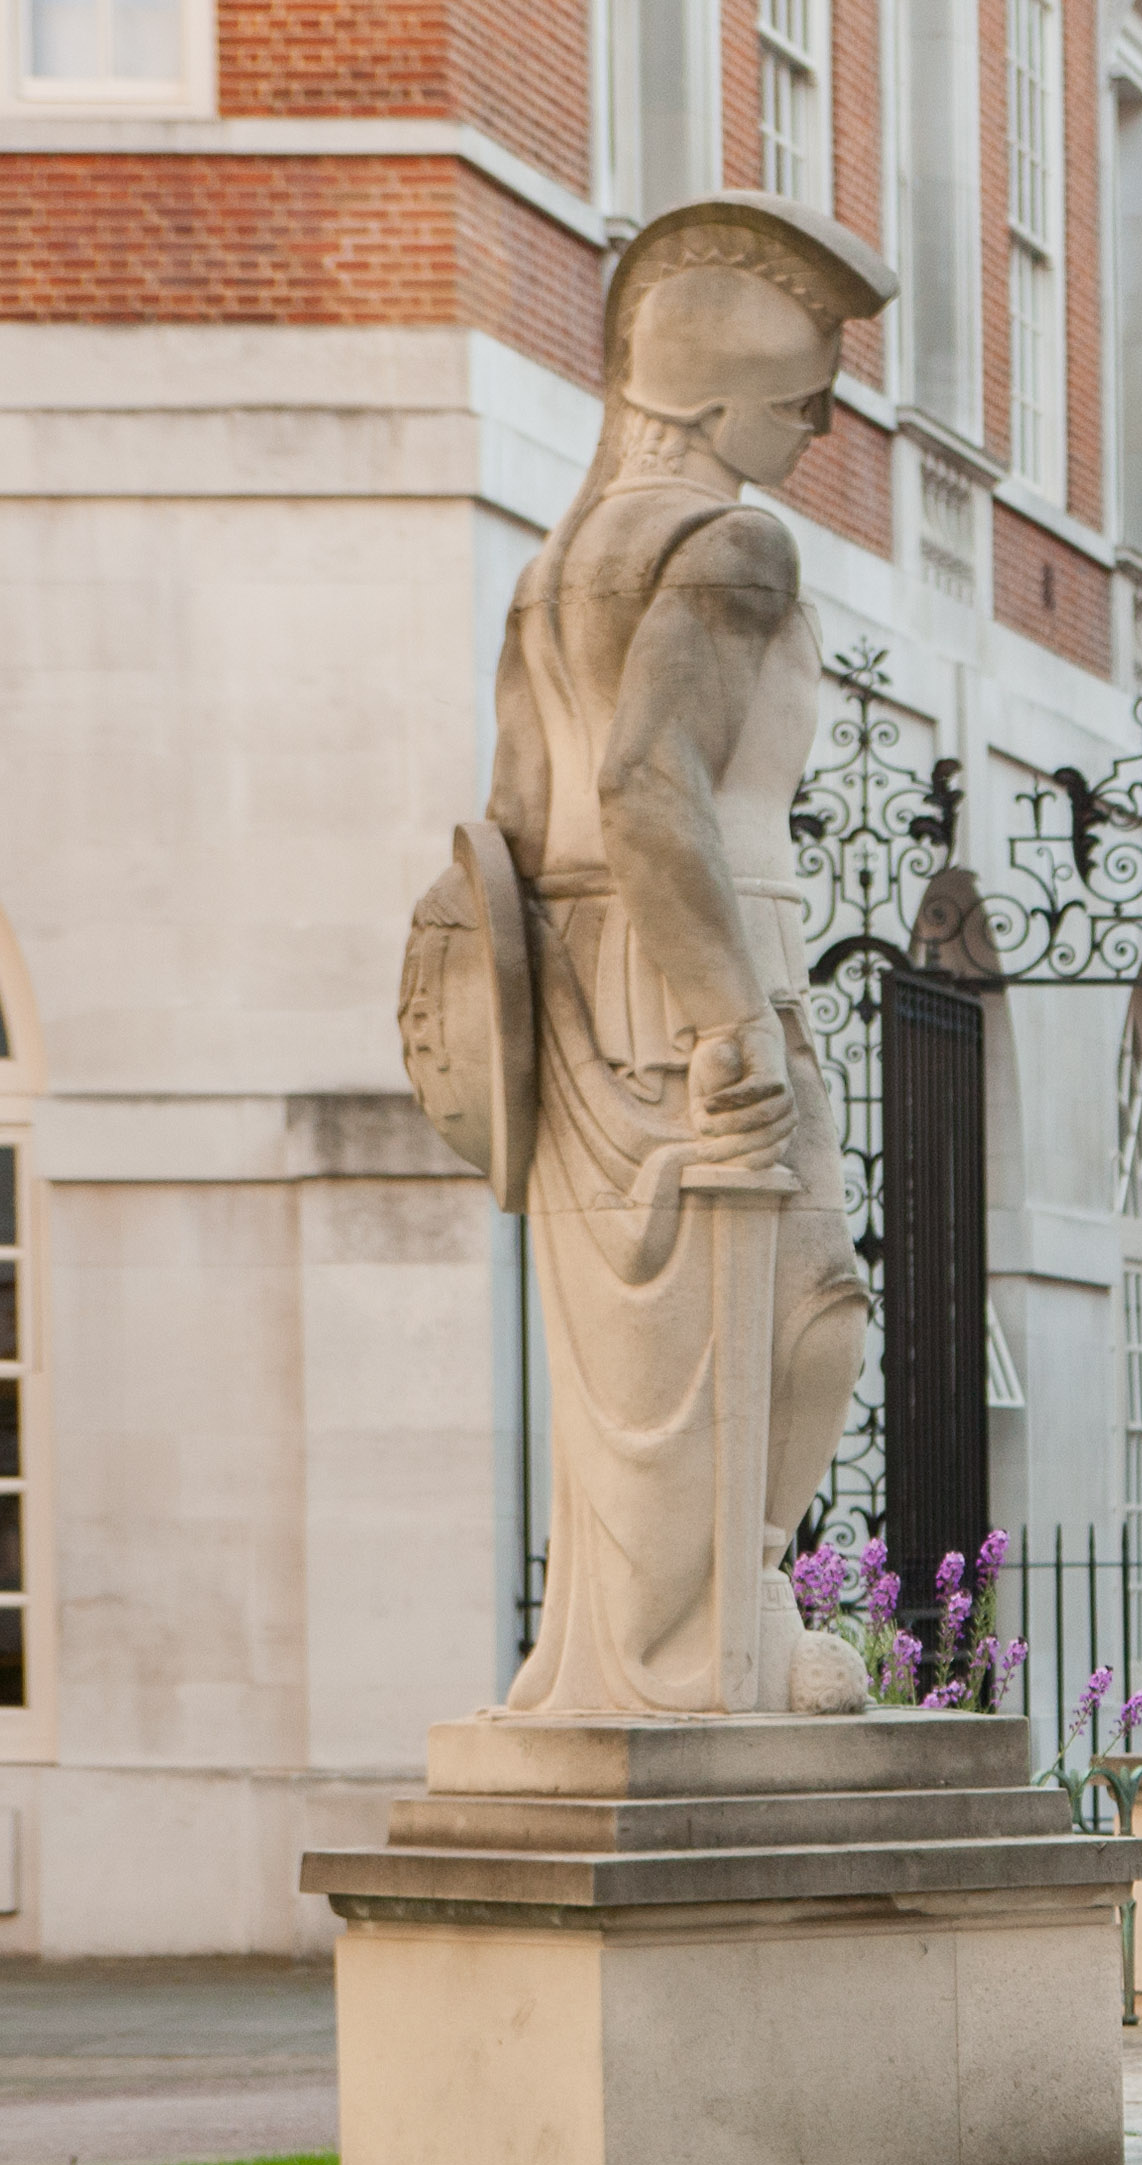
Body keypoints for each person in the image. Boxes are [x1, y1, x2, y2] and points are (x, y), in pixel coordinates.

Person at [474, 195, 896, 1718]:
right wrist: (736, 1021)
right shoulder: (734, 546)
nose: (821, 423)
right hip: (713, 962)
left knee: (641, 1341)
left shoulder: (555, 563)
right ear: (716, 401)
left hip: (590, 977)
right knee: (801, 1309)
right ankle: (733, 1620)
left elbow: (513, 827)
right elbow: (648, 784)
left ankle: (619, 1650)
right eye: (803, 400)